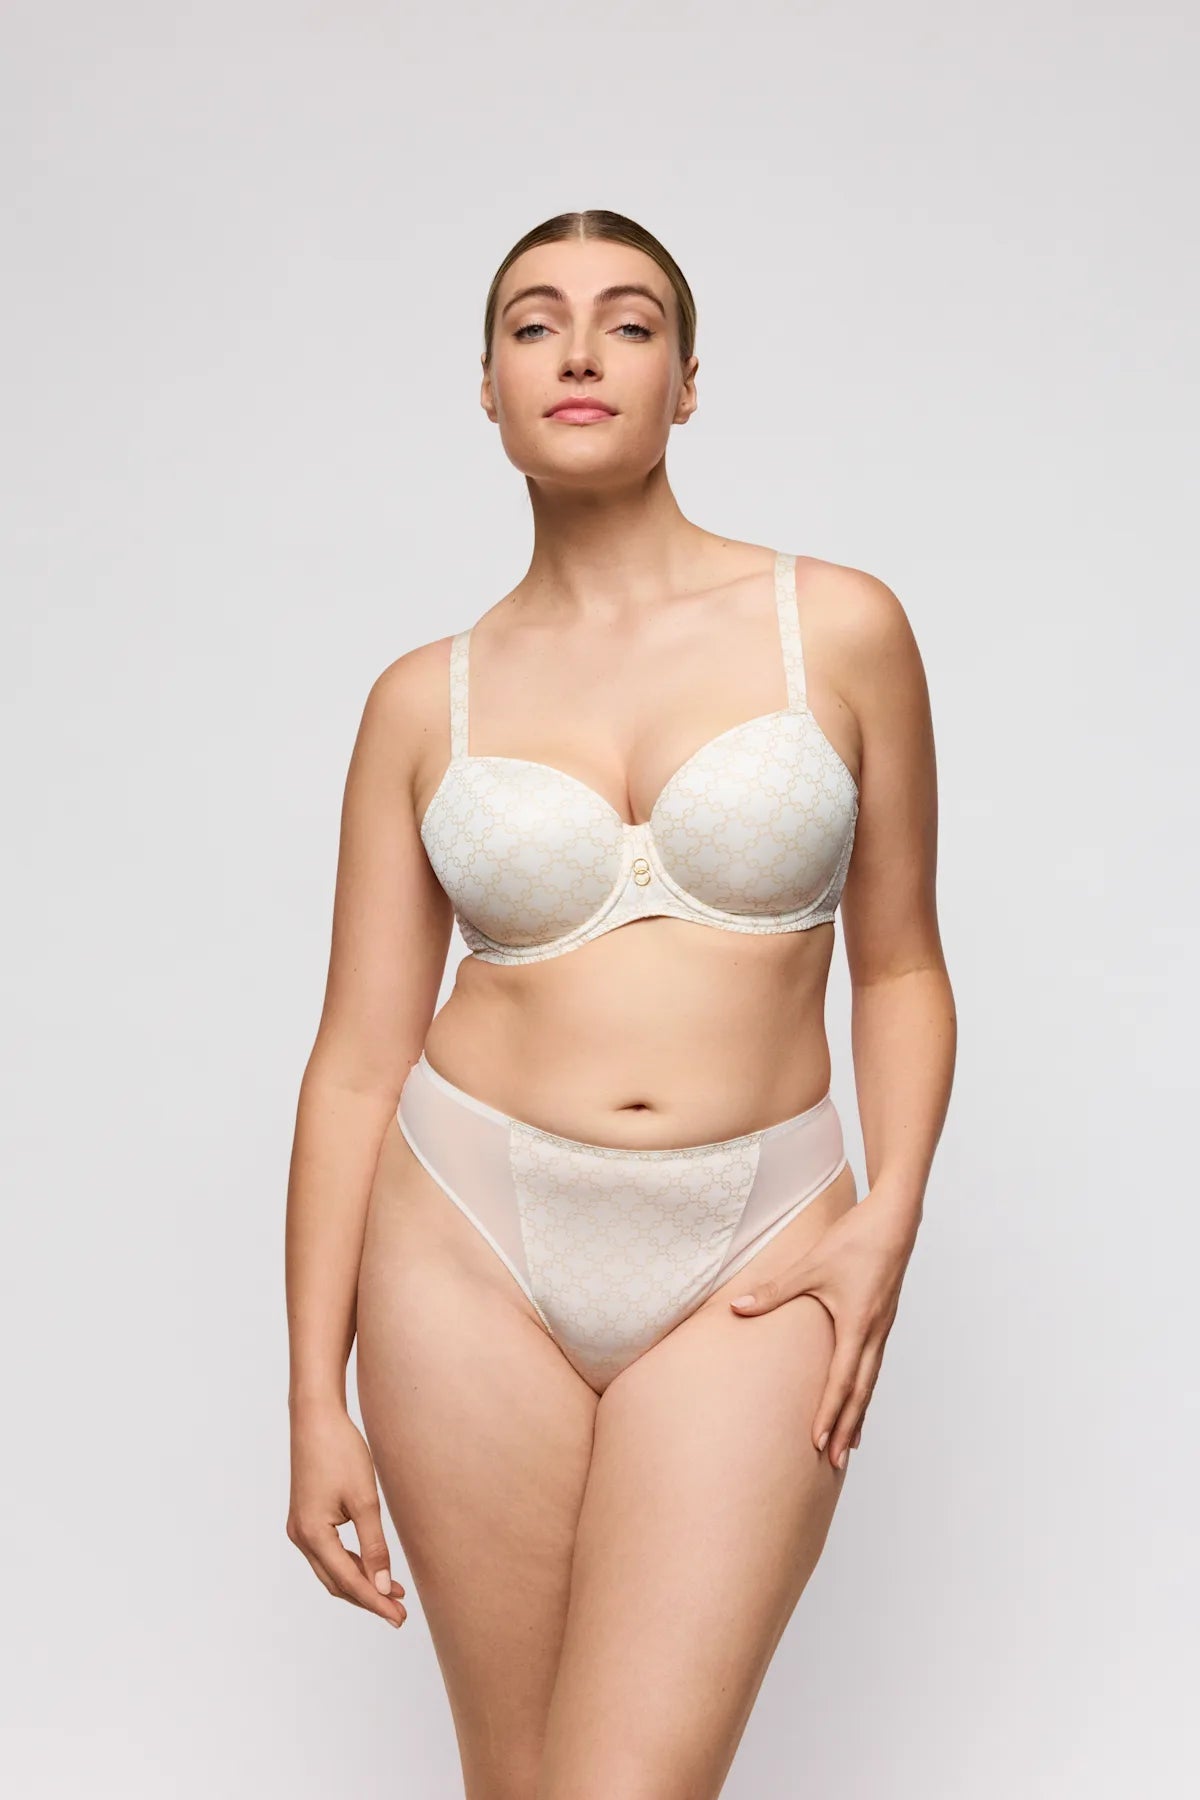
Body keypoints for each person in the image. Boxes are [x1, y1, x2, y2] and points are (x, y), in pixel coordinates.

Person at [285, 209, 957, 1799]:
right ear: (489, 386)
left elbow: (903, 962)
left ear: (687, 382)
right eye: (535, 323)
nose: (580, 350)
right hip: (464, 1243)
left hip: (761, 1247)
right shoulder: (420, 700)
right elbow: (355, 1061)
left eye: (630, 322)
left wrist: (893, 1212)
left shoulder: (838, 627)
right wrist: (313, 1396)